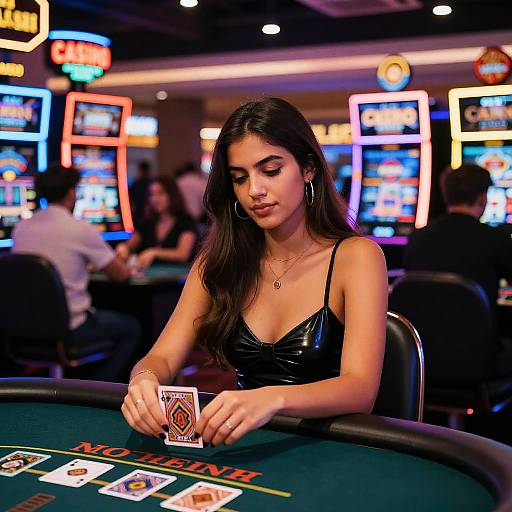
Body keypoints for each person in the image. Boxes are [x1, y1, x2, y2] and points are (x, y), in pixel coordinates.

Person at [122, 97, 388, 446]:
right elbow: (162, 356)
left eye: (271, 170)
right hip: (247, 445)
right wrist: (144, 380)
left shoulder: (358, 257)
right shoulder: (219, 261)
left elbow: (359, 389)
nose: (254, 191)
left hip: (332, 447)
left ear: (308, 169)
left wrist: (272, 398)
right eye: (239, 178)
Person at [12, 164, 141, 382]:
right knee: (132, 327)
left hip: (22, 329)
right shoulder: (81, 229)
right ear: (72, 193)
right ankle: (97, 387)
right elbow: (120, 275)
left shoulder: (21, 229)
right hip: (69, 330)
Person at [404, 164, 512, 310]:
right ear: (482, 198)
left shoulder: (417, 236)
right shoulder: (495, 238)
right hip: (476, 329)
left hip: (422, 330)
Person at [116, 176, 198, 269]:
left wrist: (154, 252)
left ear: (172, 195)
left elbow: (183, 254)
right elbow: (130, 245)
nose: (155, 199)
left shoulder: (185, 221)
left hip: (178, 280)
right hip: (149, 279)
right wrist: (124, 248)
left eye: (160, 193)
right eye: (152, 194)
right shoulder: (148, 221)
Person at [129, 161, 152, 228]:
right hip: (147, 211)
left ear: (140, 170)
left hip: (139, 212)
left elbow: (131, 199)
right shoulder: (151, 182)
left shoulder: (137, 183)